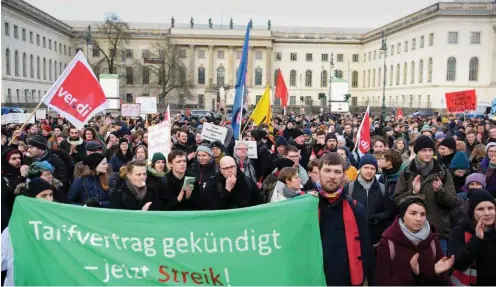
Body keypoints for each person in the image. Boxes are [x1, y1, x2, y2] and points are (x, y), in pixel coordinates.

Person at [316, 152, 375, 286]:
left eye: (337, 172)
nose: (332, 176)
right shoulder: (307, 207)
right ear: (319, 172)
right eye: (327, 170)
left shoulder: (356, 209)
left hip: (345, 280)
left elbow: (365, 250)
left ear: (344, 175)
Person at [394, 135, 459, 255]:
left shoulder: (442, 171)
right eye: (424, 150)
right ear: (417, 151)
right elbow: (398, 201)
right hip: (412, 231)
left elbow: (453, 201)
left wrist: (441, 192)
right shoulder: (407, 172)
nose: (428, 153)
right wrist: (413, 192)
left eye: (430, 150)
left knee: (440, 268)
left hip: (438, 231)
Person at [376, 197, 454, 285]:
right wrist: (412, 273)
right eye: (413, 213)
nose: (418, 219)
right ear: (403, 215)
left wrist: (436, 272)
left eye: (423, 214)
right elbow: (383, 281)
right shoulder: (387, 243)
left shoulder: (433, 240)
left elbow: (444, 282)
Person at [1, 178, 54, 286]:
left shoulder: (58, 225)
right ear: (31, 199)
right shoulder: (15, 228)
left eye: (51, 195)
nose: (49, 200)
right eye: (43, 196)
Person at [449, 189, 496, 286]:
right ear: (472, 213)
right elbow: (457, 262)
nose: (487, 213)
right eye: (480, 209)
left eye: (490, 208)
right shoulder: (460, 231)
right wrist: (477, 239)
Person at [347, 154, 396, 244]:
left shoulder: (382, 189)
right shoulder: (350, 188)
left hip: (376, 240)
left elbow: (389, 212)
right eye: (366, 168)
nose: (369, 171)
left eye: (372, 168)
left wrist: (377, 217)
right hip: (355, 240)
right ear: (360, 169)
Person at [148, 150, 216, 211]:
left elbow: (200, 206)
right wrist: (178, 199)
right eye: (178, 161)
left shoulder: (192, 179)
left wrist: (188, 198)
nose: (183, 164)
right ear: (170, 164)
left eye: (184, 161)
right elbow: (158, 209)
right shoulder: (162, 182)